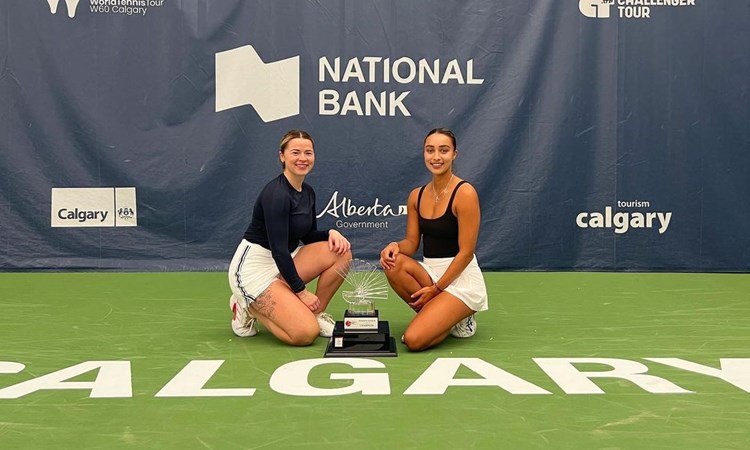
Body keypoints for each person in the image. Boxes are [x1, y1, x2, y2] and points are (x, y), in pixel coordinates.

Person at [228, 129, 352, 346]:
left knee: (341, 252)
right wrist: (301, 293)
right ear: (282, 156)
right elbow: (279, 251)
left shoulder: (308, 192)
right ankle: (248, 305)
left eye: (308, 153)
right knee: (305, 334)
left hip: (284, 261)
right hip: (253, 272)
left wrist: (331, 233)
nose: (303, 158)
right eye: (295, 152)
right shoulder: (276, 194)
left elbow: (308, 236)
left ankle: (315, 312)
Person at [379, 128, 488, 352]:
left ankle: (460, 316)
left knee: (413, 340)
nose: (436, 157)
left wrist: (437, 289)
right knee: (394, 264)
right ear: (424, 154)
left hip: (461, 279)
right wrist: (394, 246)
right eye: (430, 150)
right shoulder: (416, 196)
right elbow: (411, 243)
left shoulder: (465, 193)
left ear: (454, 154)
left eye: (443, 150)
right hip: (431, 272)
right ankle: (445, 319)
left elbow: (466, 253)